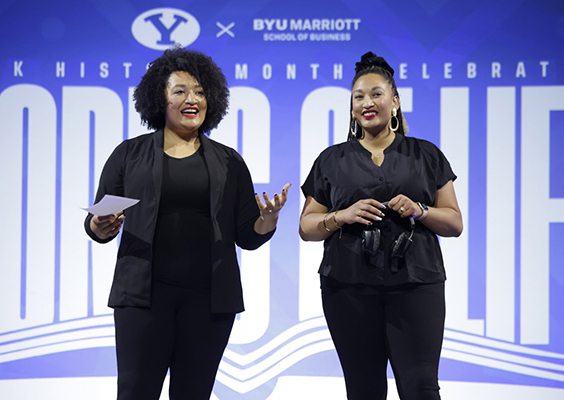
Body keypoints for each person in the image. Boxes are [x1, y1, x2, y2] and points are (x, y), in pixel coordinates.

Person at [84, 47, 290, 400]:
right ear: (158, 99)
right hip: (143, 299)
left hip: (208, 302)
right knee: (135, 391)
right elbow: (98, 218)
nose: (191, 99)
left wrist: (267, 221)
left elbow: (246, 236)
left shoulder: (229, 162)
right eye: (179, 91)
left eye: (199, 91)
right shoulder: (128, 155)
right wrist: (97, 227)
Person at [299, 51, 463, 400]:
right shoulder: (331, 159)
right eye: (358, 97)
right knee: (363, 390)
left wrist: (420, 210)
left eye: (376, 94)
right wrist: (340, 216)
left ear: (395, 102)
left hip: (417, 285)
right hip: (348, 287)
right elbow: (307, 227)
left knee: (421, 388)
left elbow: (454, 222)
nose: (367, 102)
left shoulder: (425, 154)